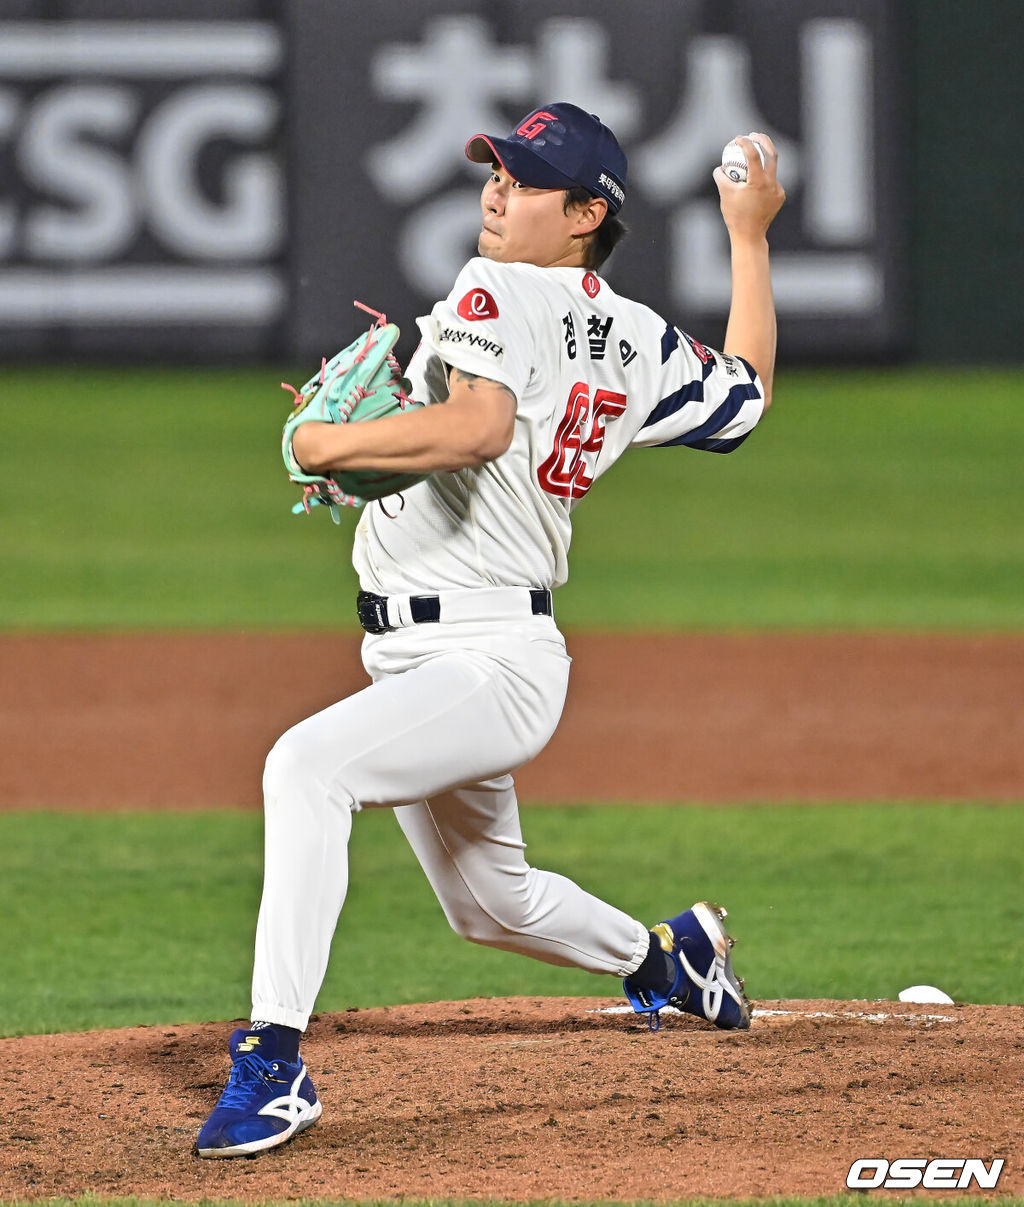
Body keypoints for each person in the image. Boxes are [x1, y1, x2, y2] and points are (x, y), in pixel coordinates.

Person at [196, 101, 785, 1158]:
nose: (497, 189)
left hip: (486, 657)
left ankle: (274, 1063)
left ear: (586, 213)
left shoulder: (493, 288)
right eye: (498, 169)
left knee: (304, 768)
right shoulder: (638, 334)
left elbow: (477, 428)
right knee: (490, 904)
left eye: (526, 179)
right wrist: (749, 236)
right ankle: (667, 958)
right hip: (445, 652)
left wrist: (331, 442)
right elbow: (742, 398)